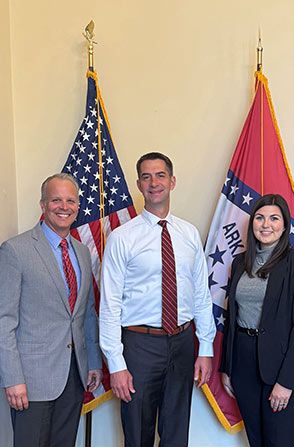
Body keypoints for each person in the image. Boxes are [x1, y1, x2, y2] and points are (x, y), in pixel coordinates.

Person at [99, 152, 216, 447]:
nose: (154, 183)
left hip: (182, 343)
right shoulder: (122, 238)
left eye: (160, 175)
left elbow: (201, 295)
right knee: (138, 433)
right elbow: (110, 305)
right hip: (139, 346)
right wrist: (116, 364)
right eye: (147, 177)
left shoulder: (189, 234)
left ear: (172, 181)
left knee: (177, 433)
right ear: (139, 184)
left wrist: (204, 348)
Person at [0, 173, 102, 446]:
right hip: (31, 381)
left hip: (74, 376)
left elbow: (85, 313)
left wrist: (93, 361)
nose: (64, 206)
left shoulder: (82, 252)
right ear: (42, 204)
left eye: (70, 200)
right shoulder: (15, 250)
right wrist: (12, 378)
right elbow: (2, 321)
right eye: (56, 200)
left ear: (78, 206)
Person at [220, 194, 294, 447]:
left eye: (274, 218)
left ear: (285, 226)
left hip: (284, 368)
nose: (266, 224)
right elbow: (232, 317)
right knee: (257, 440)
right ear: (252, 222)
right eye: (260, 217)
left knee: (282, 441)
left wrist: (286, 383)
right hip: (244, 365)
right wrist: (228, 367)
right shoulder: (241, 262)